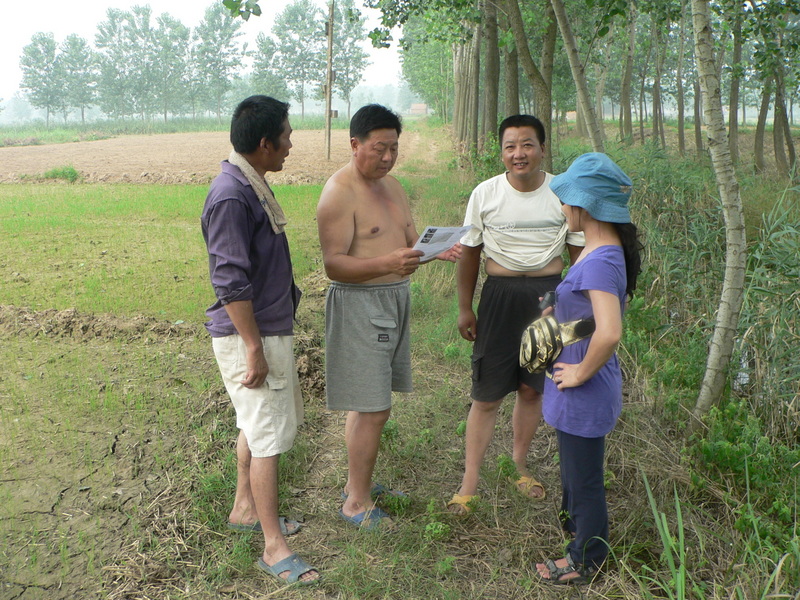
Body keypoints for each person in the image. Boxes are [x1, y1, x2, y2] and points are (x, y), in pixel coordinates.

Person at [317, 104, 459, 530]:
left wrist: (436, 250)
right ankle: (355, 504)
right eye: (379, 149)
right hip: (361, 306)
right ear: (355, 143)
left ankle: (356, 485)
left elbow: (408, 241)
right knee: (373, 407)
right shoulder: (338, 192)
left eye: (394, 148)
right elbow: (333, 266)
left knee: (371, 404)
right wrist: (388, 264)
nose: (387, 158)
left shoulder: (393, 187)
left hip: (395, 300)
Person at [201, 95, 319, 586]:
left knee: (255, 424)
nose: (291, 145)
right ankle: (274, 548)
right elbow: (229, 280)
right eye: (287, 137)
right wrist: (252, 346)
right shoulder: (232, 194)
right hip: (253, 335)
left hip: (266, 329)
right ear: (265, 143)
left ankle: (244, 509)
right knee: (268, 437)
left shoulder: (251, 184)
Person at [448, 115, 584, 516]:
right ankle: (469, 484)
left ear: (543, 148)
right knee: (486, 394)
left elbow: (579, 253)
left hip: (548, 298)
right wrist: (463, 307)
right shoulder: (485, 193)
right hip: (499, 298)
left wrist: (576, 306)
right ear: (502, 151)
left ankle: (519, 466)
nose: (518, 153)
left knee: (531, 389)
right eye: (510, 146)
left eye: (527, 145)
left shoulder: (562, 192)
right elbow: (470, 252)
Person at [534, 152, 642, 585]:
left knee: (584, 479)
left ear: (585, 206)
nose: (562, 207)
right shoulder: (601, 250)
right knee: (574, 472)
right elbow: (593, 318)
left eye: (566, 199)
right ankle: (576, 536)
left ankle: (587, 561)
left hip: (584, 387)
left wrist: (579, 374)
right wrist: (554, 312)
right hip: (577, 383)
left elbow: (610, 331)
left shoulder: (598, 260)